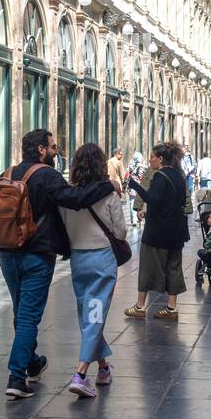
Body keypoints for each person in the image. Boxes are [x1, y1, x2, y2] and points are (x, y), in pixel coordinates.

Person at [0, 129, 115, 398]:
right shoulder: (46, 175)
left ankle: (33, 362)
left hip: (6, 253)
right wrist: (106, 186)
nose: (56, 151)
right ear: (40, 149)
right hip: (36, 255)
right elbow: (75, 200)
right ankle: (16, 378)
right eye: (53, 146)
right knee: (28, 317)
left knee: (20, 311)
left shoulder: (7, 173)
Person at [58, 142, 126, 398]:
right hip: (101, 261)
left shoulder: (67, 196)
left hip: (78, 260)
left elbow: (64, 228)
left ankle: (104, 368)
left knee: (88, 314)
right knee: (94, 317)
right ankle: (81, 374)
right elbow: (120, 231)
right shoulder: (108, 193)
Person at [125, 141, 190, 320]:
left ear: (160, 159)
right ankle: (171, 308)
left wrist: (135, 185)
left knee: (147, 268)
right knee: (174, 268)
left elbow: (154, 200)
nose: (150, 161)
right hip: (176, 232)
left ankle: (139, 307)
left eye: (152, 158)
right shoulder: (178, 175)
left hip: (158, 233)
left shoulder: (160, 176)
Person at [129, 152, 147, 228]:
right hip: (140, 187)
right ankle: (140, 219)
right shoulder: (143, 167)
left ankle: (134, 220)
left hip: (132, 187)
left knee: (132, 203)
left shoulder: (131, 167)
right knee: (140, 202)